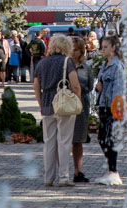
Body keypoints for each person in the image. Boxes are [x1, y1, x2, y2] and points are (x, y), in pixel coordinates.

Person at [33, 34, 83, 187]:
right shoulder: (67, 62)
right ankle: (63, 177)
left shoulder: (41, 63)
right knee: (64, 141)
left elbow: (36, 86)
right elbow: (75, 85)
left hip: (47, 105)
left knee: (49, 143)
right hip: (63, 105)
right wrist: (78, 100)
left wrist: (41, 104)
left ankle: (48, 178)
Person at [94, 35, 126, 186]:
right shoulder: (104, 64)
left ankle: (114, 172)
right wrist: (97, 87)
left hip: (111, 108)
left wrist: (116, 111)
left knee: (108, 138)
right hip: (103, 105)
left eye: (106, 46)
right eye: (102, 46)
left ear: (114, 47)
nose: (103, 49)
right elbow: (100, 84)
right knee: (102, 138)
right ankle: (111, 170)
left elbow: (118, 90)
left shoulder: (117, 66)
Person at [68, 36, 94, 182]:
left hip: (81, 104)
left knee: (78, 140)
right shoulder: (65, 66)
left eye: (76, 50)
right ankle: (64, 171)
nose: (73, 52)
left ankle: (78, 172)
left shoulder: (86, 68)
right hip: (66, 104)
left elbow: (90, 86)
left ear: (82, 51)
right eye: (71, 49)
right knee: (65, 139)